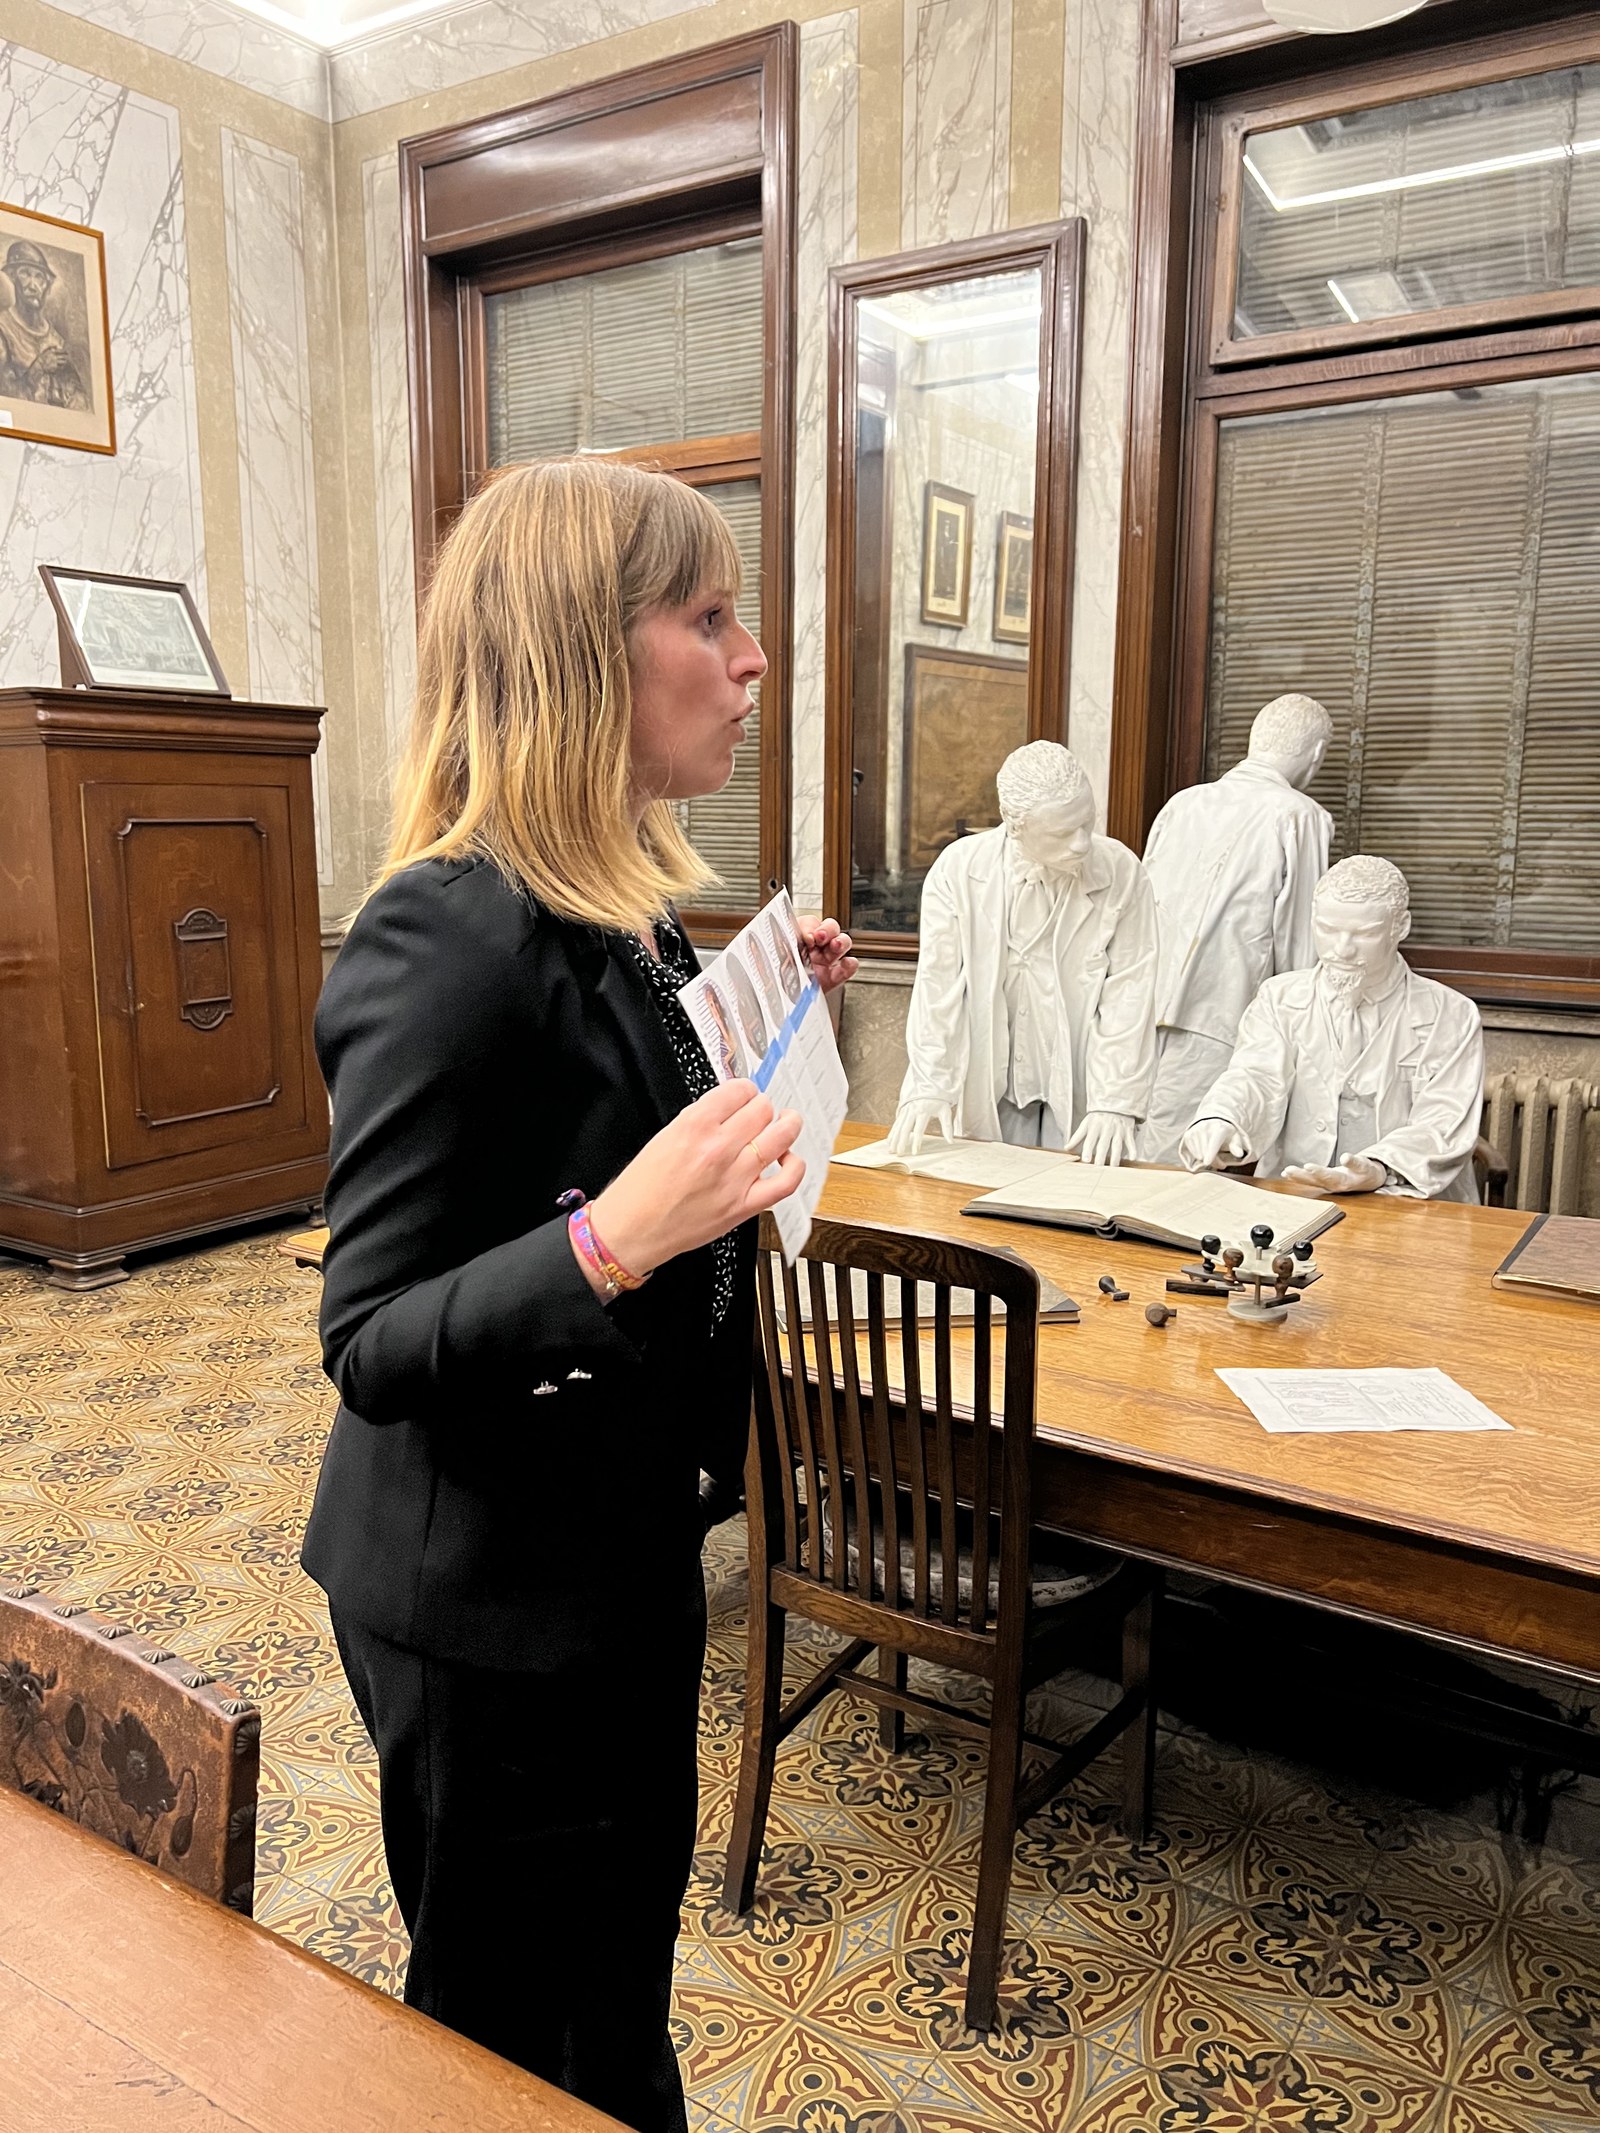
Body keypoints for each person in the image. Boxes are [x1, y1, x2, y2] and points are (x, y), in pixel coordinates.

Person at [301, 457, 856, 2133]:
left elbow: (597, 1104)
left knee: (609, 1985)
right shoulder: (442, 934)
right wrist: (610, 1241)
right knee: (507, 2031)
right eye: (708, 618)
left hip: (613, 1555)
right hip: (483, 1601)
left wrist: (759, 998)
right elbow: (368, 1337)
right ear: (579, 655)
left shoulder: (623, 912)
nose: (751, 659)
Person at [889, 740, 1157, 1165]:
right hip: (991, 1073)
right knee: (980, 1184)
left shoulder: (1121, 872)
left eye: (1087, 823)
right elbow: (938, 987)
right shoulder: (958, 871)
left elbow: (1130, 991)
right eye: (1062, 833)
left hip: (1078, 1076)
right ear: (1015, 826)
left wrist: (1116, 1100)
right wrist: (930, 1082)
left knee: (1073, 1192)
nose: (1082, 844)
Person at [1178, 854, 1483, 1200]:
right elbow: (1255, 1077)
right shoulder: (1279, 999)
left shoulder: (1451, 1015)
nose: (1342, 950)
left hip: (1408, 1205)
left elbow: (1442, 1119)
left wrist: (1380, 1168)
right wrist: (1222, 1118)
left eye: (1364, 933)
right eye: (1327, 929)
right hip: (1298, 1198)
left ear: (1400, 927)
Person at [1140, 694, 1333, 1163]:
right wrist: (1298, 1035)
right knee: (1190, 1164)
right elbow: (1301, 943)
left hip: (1143, 1003)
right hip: (1225, 1013)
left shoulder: (1184, 803)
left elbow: (1141, 905)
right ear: (1315, 754)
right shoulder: (1300, 815)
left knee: (1140, 1151)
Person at [0, 239, 88, 408]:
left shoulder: (56, 339)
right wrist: (39, 367)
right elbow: (4, 395)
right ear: (12, 277)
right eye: (25, 274)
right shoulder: (3, 328)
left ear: (46, 284)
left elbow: (78, 399)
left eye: (39, 277)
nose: (33, 286)